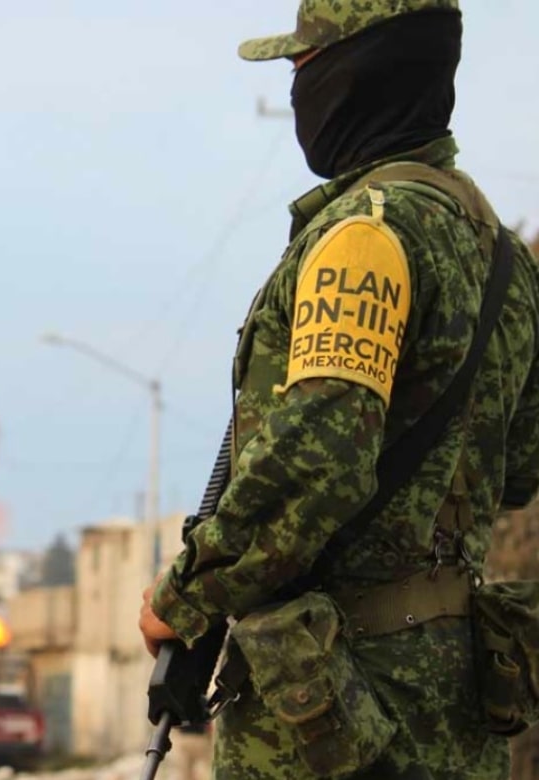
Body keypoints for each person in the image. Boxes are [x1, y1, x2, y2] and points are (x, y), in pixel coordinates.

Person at [138, 1, 539, 778]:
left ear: (358, 73)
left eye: (303, 65)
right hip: (457, 701)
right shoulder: (503, 260)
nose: (297, 88)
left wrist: (184, 594)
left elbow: (318, 455)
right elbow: (518, 466)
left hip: (338, 707)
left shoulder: (363, 238)